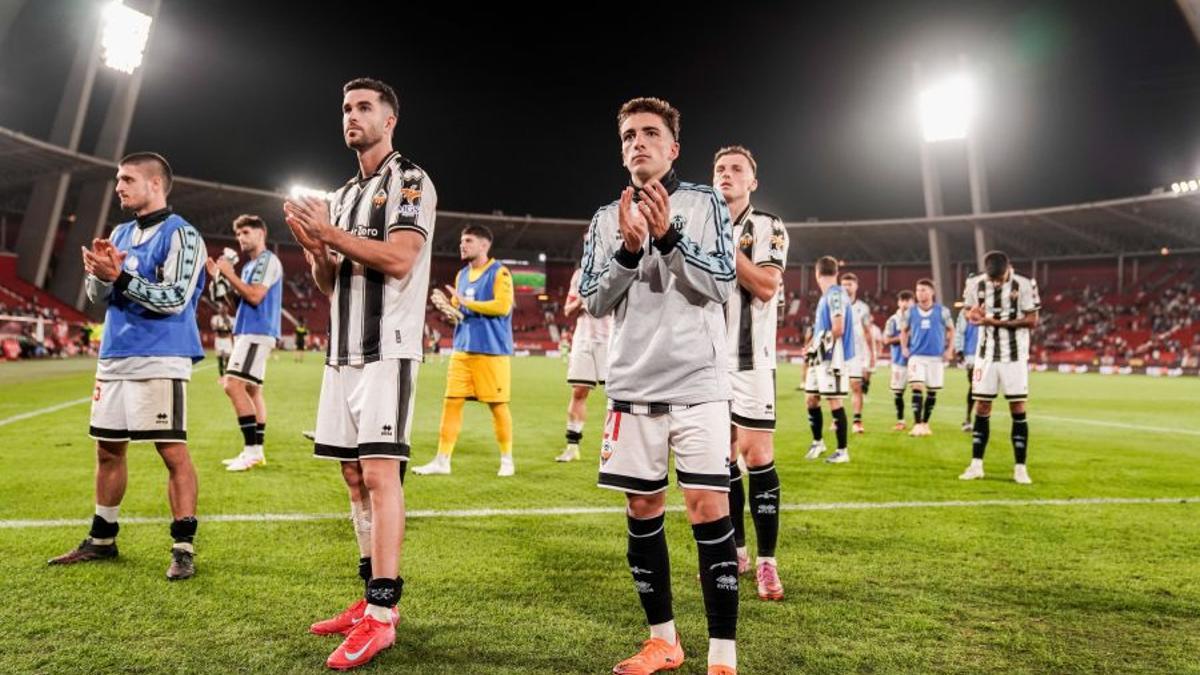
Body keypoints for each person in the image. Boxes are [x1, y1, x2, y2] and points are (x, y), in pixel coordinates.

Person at [580, 97, 739, 675]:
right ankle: (663, 641)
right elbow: (593, 299)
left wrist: (668, 236)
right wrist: (626, 249)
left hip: (699, 384)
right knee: (643, 509)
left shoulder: (705, 204)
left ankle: (723, 655)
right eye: (628, 135)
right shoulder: (604, 218)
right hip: (631, 386)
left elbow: (720, 284)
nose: (637, 142)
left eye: (650, 133)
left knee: (707, 510)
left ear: (673, 148)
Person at [283, 77, 435, 670]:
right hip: (341, 351)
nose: (352, 115)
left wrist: (329, 234)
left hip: (387, 349)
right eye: (346, 107)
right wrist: (318, 252)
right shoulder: (342, 194)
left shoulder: (411, 180)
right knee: (351, 475)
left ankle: (382, 615)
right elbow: (329, 284)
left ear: (389, 120)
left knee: (379, 474)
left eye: (364, 107)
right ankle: (368, 596)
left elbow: (400, 258)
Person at [50, 152, 205, 581]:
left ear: (154, 184)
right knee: (107, 449)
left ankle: (183, 546)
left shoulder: (183, 235)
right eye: (118, 179)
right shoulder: (119, 232)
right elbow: (97, 296)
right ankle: (102, 538)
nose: (118, 186)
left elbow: (174, 297)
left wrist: (118, 278)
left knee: (171, 451)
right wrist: (98, 275)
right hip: (114, 356)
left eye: (127, 179)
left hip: (160, 356)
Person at [713, 144, 788, 602]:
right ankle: (737, 551)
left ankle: (767, 563)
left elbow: (765, 286)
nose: (727, 174)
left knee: (757, 458)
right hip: (704, 364)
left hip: (751, 362)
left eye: (736, 169)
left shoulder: (767, 227)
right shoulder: (698, 224)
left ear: (751, 182)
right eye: (720, 168)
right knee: (721, 461)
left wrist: (721, 246)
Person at [414, 225, 516, 477]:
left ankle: (507, 460)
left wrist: (466, 303)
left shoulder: (499, 273)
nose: (462, 245)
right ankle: (442, 460)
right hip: (462, 349)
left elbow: (502, 307)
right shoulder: (461, 275)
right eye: (461, 241)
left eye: (468, 240)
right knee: (451, 403)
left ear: (484, 245)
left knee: (497, 405)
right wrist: (451, 314)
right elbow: (461, 313)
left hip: (491, 351)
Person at [207, 215, 283, 472]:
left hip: (256, 331)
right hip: (248, 329)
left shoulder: (266, 260)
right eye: (238, 234)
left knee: (232, 384)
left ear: (261, 233)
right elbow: (238, 304)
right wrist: (222, 281)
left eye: (246, 232)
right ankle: (257, 452)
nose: (241, 238)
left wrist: (229, 273)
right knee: (252, 391)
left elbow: (255, 296)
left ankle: (251, 451)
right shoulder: (250, 267)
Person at [959, 250, 1040, 484]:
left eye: (1000, 279)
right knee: (982, 407)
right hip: (985, 356)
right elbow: (967, 312)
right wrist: (971, 314)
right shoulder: (975, 283)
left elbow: (1032, 320)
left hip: (1014, 357)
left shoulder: (1024, 284)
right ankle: (976, 465)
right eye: (992, 279)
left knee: (1018, 408)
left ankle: (1020, 468)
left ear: (1009, 269)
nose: (995, 283)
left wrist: (994, 322)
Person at [557, 264, 613, 462]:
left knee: (618, 395)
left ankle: (617, 448)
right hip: (583, 339)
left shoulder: (619, 267)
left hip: (611, 338)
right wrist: (581, 301)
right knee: (579, 391)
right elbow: (567, 310)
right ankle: (572, 446)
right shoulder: (580, 275)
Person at [803, 256, 855, 464]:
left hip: (833, 358)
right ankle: (818, 442)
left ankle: (842, 451)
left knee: (834, 401)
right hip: (820, 358)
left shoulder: (835, 295)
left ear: (817, 274)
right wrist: (811, 346)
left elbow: (838, 329)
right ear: (836, 273)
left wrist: (816, 346)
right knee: (811, 399)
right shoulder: (827, 296)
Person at [900, 279, 955, 437]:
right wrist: (904, 347)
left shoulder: (942, 311)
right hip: (916, 356)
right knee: (916, 387)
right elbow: (904, 330)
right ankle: (917, 424)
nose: (919, 293)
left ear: (932, 292)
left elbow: (952, 330)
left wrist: (949, 350)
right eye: (917, 290)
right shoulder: (911, 312)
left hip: (935, 358)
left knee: (932, 391)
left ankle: (925, 423)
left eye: (923, 290)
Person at [840, 273, 876, 434]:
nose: (847, 287)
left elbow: (868, 332)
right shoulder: (835, 305)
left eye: (850, 284)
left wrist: (873, 354)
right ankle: (837, 419)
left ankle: (857, 420)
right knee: (837, 389)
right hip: (837, 352)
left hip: (855, 353)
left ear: (856, 286)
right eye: (844, 284)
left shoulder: (863, 308)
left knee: (856, 386)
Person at [882, 290, 915, 430]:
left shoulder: (917, 318)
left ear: (913, 302)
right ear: (898, 302)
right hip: (899, 361)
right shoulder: (893, 320)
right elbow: (886, 339)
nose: (905, 303)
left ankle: (919, 422)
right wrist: (904, 337)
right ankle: (901, 420)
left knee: (917, 390)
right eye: (903, 300)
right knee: (898, 392)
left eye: (908, 300)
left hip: (916, 360)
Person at [954, 305, 981, 432]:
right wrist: (959, 351)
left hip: (986, 354)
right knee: (975, 386)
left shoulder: (987, 309)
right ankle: (969, 419)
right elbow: (959, 332)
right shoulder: (963, 314)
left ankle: (976, 419)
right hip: (970, 355)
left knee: (980, 388)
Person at [211, 303, 234, 376]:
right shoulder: (215, 318)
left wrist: (227, 323)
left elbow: (231, 329)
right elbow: (214, 328)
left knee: (228, 359)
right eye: (222, 308)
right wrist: (222, 327)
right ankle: (221, 376)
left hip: (227, 340)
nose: (223, 310)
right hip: (219, 340)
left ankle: (227, 374)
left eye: (225, 308)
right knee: (220, 359)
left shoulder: (230, 319)